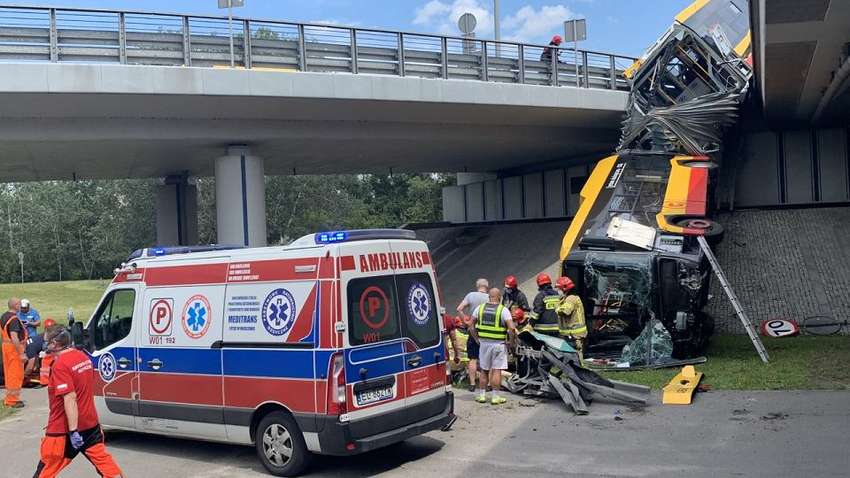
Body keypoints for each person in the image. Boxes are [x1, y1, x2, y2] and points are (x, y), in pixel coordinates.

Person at [33, 325, 124, 478]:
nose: (45, 344)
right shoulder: (82, 357)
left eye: (46, 341)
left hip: (65, 430)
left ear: (54, 344)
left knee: (45, 471)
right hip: (90, 425)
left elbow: (70, 398)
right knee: (107, 467)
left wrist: (73, 431)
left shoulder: (61, 365)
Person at [469, 288, 516, 405]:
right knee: (496, 370)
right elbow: (511, 328)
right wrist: (511, 342)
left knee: (484, 370)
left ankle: (482, 396)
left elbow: (471, 325)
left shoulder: (479, 309)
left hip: (484, 344)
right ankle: (495, 397)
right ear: (499, 297)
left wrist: (476, 339)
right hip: (498, 344)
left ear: (488, 297)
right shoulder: (503, 310)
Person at [456, 278, 489, 392]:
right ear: (487, 287)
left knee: (473, 359)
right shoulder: (490, 297)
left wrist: (465, 321)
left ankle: (472, 384)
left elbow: (459, 309)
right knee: (486, 358)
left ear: (477, 286)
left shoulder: (471, 295)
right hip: (486, 331)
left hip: (472, 329)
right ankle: (486, 384)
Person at [555, 276, 588, 363]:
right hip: (571, 334)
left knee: (576, 356)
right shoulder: (566, 298)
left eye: (558, 289)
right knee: (571, 356)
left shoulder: (571, 298)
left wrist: (557, 308)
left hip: (574, 334)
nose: (558, 291)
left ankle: (580, 373)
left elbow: (565, 311)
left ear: (564, 288)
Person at [2, 297, 27, 408]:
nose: (20, 306)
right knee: (15, 374)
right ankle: (12, 400)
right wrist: (21, 353)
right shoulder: (14, 320)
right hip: (14, 348)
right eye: (19, 304)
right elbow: (14, 336)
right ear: (15, 305)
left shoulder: (4, 316)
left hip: (6, 347)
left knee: (9, 373)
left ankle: (10, 397)